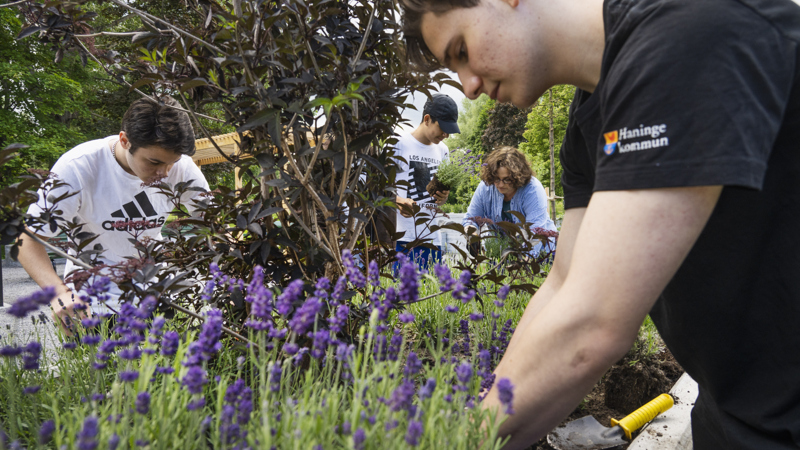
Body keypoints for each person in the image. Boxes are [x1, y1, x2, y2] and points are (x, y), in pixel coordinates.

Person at [400, 0, 800, 449]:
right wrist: (490, 404)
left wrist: (455, 443)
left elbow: (595, 322)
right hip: (735, 412)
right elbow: (563, 283)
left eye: (461, 50)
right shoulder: (587, 124)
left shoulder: (688, 32)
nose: (467, 87)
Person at [18, 96, 209, 331]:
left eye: (173, 163)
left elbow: (212, 226)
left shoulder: (182, 167)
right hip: (91, 300)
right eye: (154, 162)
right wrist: (59, 294)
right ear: (125, 140)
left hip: (155, 294)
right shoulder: (77, 168)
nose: (164, 173)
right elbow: (27, 240)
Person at [394, 93, 460, 268]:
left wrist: (443, 197)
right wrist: (398, 201)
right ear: (427, 119)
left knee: (431, 292)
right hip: (402, 238)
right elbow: (378, 191)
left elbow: (442, 198)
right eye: (443, 128)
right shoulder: (398, 144)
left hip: (432, 239)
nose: (446, 135)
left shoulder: (443, 151)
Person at [463, 146, 557, 255]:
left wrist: (523, 263)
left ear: (518, 177)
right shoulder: (486, 187)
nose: (500, 184)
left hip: (541, 252)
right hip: (501, 250)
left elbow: (535, 233)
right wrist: (472, 235)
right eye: (496, 179)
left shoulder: (532, 190)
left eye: (507, 179)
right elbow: (471, 218)